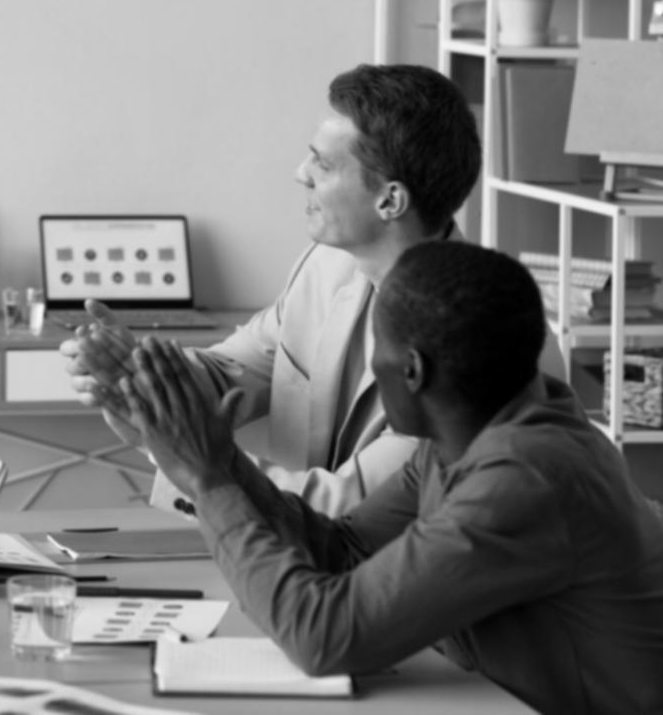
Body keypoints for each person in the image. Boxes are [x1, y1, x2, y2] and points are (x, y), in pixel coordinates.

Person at [117, 241, 663, 713]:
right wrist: (219, 460)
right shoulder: (463, 440)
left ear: (412, 369)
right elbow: (343, 551)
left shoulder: (525, 479)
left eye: (378, 349)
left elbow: (324, 637)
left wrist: (211, 480)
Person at [69, 63, 560, 515]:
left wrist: (179, 452)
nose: (300, 174)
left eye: (323, 165)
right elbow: (236, 370)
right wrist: (144, 375)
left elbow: (350, 507)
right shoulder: (328, 265)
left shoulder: (479, 345)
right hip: (310, 556)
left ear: (390, 200)